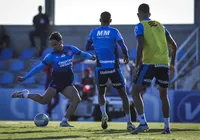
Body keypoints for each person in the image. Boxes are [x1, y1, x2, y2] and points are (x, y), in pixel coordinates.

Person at [12, 32, 96, 127]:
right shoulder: (51, 56)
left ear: (61, 42)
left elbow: (82, 54)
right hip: (56, 82)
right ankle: (25, 94)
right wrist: (25, 77)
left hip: (67, 83)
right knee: (44, 100)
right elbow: (38, 68)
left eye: (55, 44)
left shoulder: (71, 49)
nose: (54, 47)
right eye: (52, 45)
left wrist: (91, 57)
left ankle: (64, 121)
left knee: (77, 100)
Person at [130, 3, 177, 134]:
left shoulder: (140, 26)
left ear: (138, 15)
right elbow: (174, 45)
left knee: (135, 91)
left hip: (149, 63)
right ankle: (167, 127)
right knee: (164, 95)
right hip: (164, 64)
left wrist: (137, 65)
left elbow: (140, 45)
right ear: (149, 14)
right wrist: (172, 64)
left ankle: (143, 123)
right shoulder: (162, 26)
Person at [85, 11, 135, 131]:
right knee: (123, 95)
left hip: (100, 68)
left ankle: (104, 114)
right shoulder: (114, 31)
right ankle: (129, 122)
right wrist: (127, 57)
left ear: (99, 20)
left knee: (101, 93)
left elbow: (87, 47)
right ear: (110, 21)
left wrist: (97, 46)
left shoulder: (94, 32)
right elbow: (123, 46)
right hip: (114, 68)